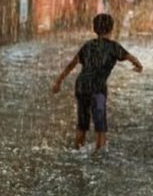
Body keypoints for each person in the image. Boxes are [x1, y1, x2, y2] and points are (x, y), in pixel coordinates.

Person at [52, 14, 143, 151]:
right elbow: (133, 59)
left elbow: (72, 64)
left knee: (82, 123)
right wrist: (139, 67)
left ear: (94, 29)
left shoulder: (88, 45)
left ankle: (78, 149)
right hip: (97, 88)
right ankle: (98, 156)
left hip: (81, 86)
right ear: (112, 28)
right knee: (100, 126)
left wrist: (59, 82)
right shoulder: (114, 47)